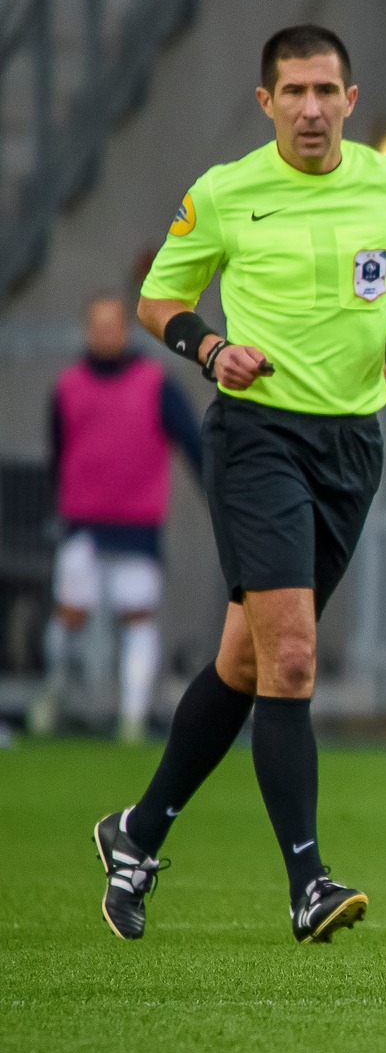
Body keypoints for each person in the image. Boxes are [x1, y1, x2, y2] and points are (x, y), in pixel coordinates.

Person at [91, 24, 386, 944]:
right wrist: (209, 348)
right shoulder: (223, 192)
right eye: (292, 92)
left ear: (350, 97)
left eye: (326, 90)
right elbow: (157, 300)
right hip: (258, 438)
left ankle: (136, 830)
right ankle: (308, 881)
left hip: (352, 447)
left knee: (247, 661)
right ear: (266, 103)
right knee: (292, 657)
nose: (310, 108)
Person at [33, 293, 204, 743]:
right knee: (70, 614)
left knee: (137, 616)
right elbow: (57, 452)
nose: (106, 334)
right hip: (83, 522)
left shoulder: (154, 384)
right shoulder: (68, 386)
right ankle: (56, 694)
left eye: (113, 325)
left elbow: (193, 442)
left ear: (125, 330)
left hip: (137, 525)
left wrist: (218, 492)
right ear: (88, 330)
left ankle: (131, 715)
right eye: (97, 325)